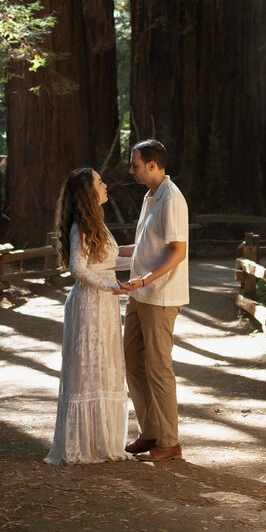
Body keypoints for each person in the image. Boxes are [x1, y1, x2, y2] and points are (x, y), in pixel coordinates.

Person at [45, 166, 129, 464]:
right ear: (88, 192)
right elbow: (78, 269)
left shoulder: (97, 224)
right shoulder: (79, 226)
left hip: (104, 304)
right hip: (88, 305)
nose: (106, 185)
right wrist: (111, 284)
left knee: (104, 367)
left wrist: (150, 252)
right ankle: (81, 443)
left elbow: (111, 260)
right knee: (86, 370)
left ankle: (103, 441)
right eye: (100, 182)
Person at [119, 138, 188, 461]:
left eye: (134, 165)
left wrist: (145, 279)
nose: (130, 170)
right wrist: (109, 253)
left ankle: (169, 442)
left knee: (159, 367)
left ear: (152, 165)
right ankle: (150, 432)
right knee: (132, 360)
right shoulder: (151, 197)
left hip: (160, 295)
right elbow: (147, 248)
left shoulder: (171, 200)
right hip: (140, 294)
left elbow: (178, 252)